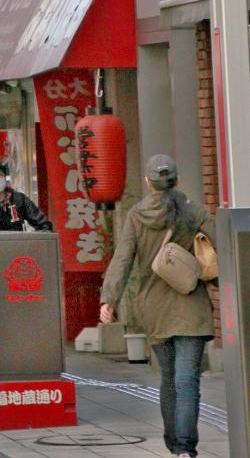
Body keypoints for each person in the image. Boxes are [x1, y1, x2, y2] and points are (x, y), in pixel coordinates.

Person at [100, 155, 216, 458]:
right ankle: (186, 448)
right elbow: (217, 253)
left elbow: (123, 259)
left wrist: (108, 299)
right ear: (176, 180)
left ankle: (175, 446)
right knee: (187, 379)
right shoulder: (194, 211)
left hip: (154, 307)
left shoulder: (137, 216)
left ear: (149, 182)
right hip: (192, 304)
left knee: (169, 379)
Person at [0, 158, 53, 233]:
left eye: (0, 174)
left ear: (5, 177)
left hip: (18, 249)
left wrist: (33, 242)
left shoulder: (19, 199)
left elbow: (44, 225)